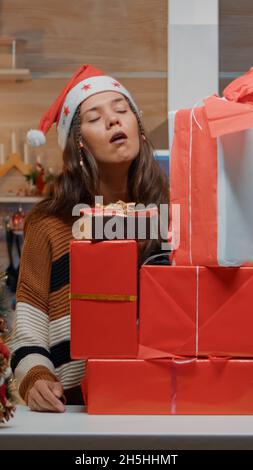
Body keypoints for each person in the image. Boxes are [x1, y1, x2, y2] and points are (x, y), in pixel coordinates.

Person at [10, 64, 169, 412]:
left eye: (122, 110)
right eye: (95, 117)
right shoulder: (48, 223)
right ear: (77, 144)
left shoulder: (169, 217)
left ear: (139, 129)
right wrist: (35, 376)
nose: (114, 121)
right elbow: (28, 329)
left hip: (159, 405)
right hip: (76, 413)